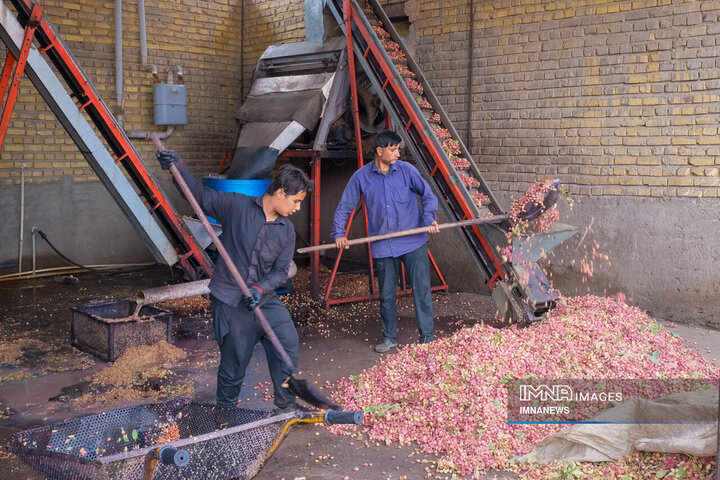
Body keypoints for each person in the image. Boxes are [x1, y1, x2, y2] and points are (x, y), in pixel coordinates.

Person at [156, 150, 312, 412]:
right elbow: (200, 196)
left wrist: (260, 288)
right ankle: (225, 412)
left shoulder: (286, 230)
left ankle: (285, 406)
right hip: (230, 300)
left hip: (264, 299)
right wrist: (177, 167)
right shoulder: (237, 206)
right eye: (296, 201)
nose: (297, 208)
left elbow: (280, 270)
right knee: (235, 359)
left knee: (286, 340)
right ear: (281, 192)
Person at [331, 130, 440, 353]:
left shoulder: (407, 171)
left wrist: (429, 218)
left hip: (413, 241)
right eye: (393, 149)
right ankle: (389, 337)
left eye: (398, 149)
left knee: (421, 290)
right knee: (387, 295)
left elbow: (427, 195)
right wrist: (339, 234)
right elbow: (345, 206)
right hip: (383, 245)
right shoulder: (361, 177)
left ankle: (427, 337)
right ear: (380, 151)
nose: (398, 154)